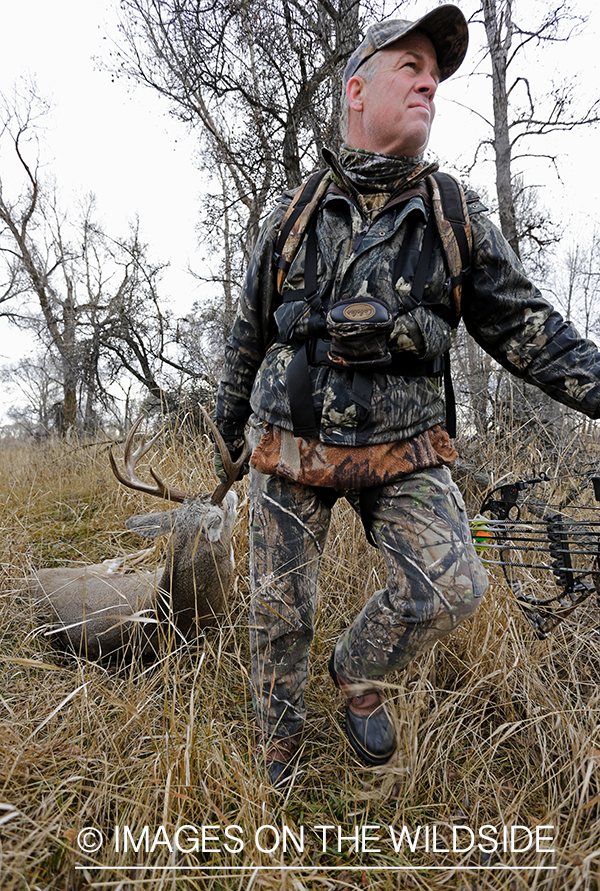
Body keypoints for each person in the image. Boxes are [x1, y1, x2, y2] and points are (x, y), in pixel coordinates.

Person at [214, 4, 600, 786]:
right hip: (289, 447)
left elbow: (531, 332)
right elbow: (245, 336)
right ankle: (278, 763)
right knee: (278, 616)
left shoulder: (454, 214)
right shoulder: (291, 216)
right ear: (357, 89)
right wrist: (228, 440)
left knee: (453, 584)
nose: (430, 84)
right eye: (411, 69)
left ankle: (358, 674)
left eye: (437, 76)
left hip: (408, 451)